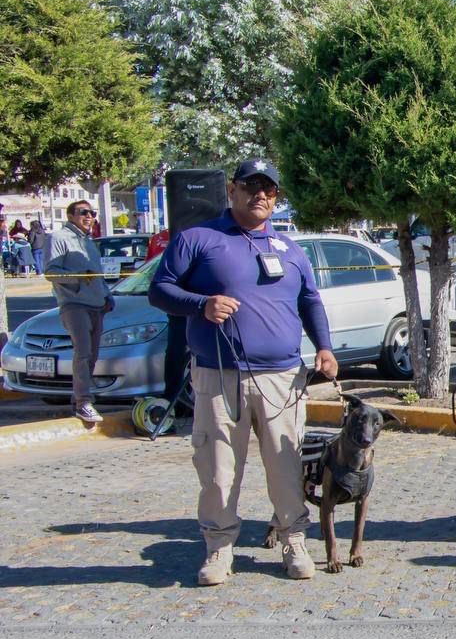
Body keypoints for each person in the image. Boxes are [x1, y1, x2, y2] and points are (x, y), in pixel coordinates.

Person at [149, 159, 339, 586]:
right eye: (251, 186)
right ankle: (219, 547)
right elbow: (160, 290)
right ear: (231, 191)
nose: (260, 195)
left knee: (286, 466)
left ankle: (293, 540)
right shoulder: (198, 239)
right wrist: (201, 304)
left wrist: (324, 347)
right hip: (219, 376)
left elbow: (310, 301)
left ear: (276, 197)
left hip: (283, 377)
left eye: (268, 189)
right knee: (217, 467)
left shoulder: (290, 250)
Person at [44, 200, 114, 422]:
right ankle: (84, 402)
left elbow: (97, 273)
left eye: (92, 213)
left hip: (96, 305)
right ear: (71, 216)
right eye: (84, 212)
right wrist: (78, 278)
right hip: (74, 304)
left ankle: (78, 399)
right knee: (82, 352)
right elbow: (51, 272)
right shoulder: (58, 238)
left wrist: (107, 296)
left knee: (92, 355)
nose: (89, 216)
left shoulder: (88, 242)